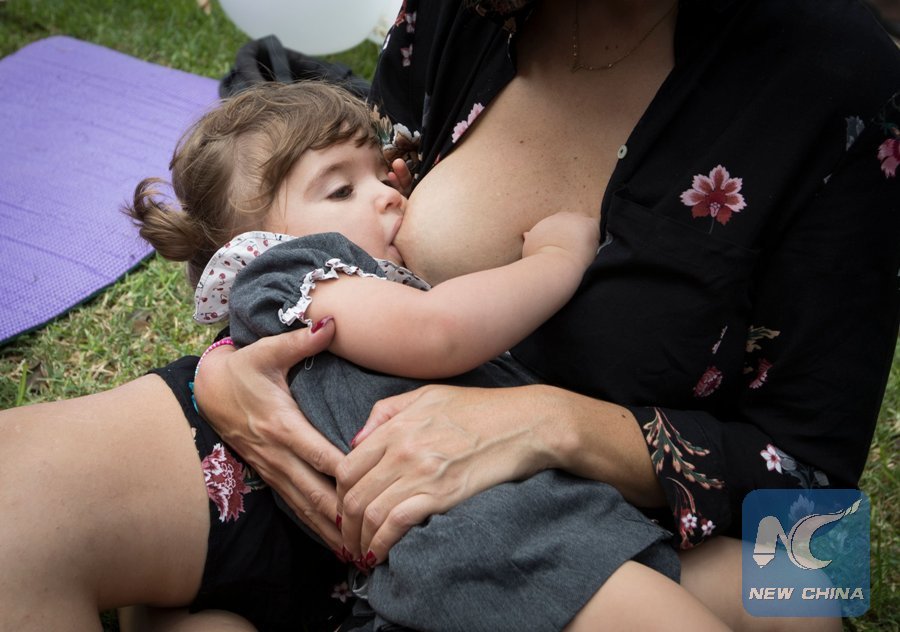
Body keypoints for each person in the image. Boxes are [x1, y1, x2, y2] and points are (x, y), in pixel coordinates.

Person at [0, 0, 897, 630]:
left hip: (596, 520)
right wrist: (229, 375)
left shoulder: (842, 79)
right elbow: (316, 228)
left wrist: (549, 426)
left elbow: (820, 513)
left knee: (809, 600)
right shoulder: (467, 9)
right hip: (334, 452)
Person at [127, 78, 695, 630]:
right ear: (254, 243)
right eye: (341, 190)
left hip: (492, 532)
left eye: (379, 175)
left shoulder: (336, 292)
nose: (390, 194)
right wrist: (557, 259)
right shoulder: (290, 271)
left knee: (740, 590)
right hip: (496, 535)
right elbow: (440, 330)